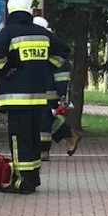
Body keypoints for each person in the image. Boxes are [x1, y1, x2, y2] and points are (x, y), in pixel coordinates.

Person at [0, 0, 70, 194]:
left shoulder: (9, 32)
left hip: (16, 99)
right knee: (33, 138)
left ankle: (21, 182)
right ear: (29, 10)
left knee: (18, 139)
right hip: (38, 98)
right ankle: (32, 178)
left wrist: (6, 69)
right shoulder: (42, 33)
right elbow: (63, 51)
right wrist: (45, 66)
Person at [33, 16, 80, 159]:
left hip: (49, 93)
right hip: (40, 91)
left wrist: (62, 95)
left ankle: (44, 151)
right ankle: (70, 135)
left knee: (44, 122)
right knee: (44, 121)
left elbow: (61, 73)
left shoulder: (53, 50)